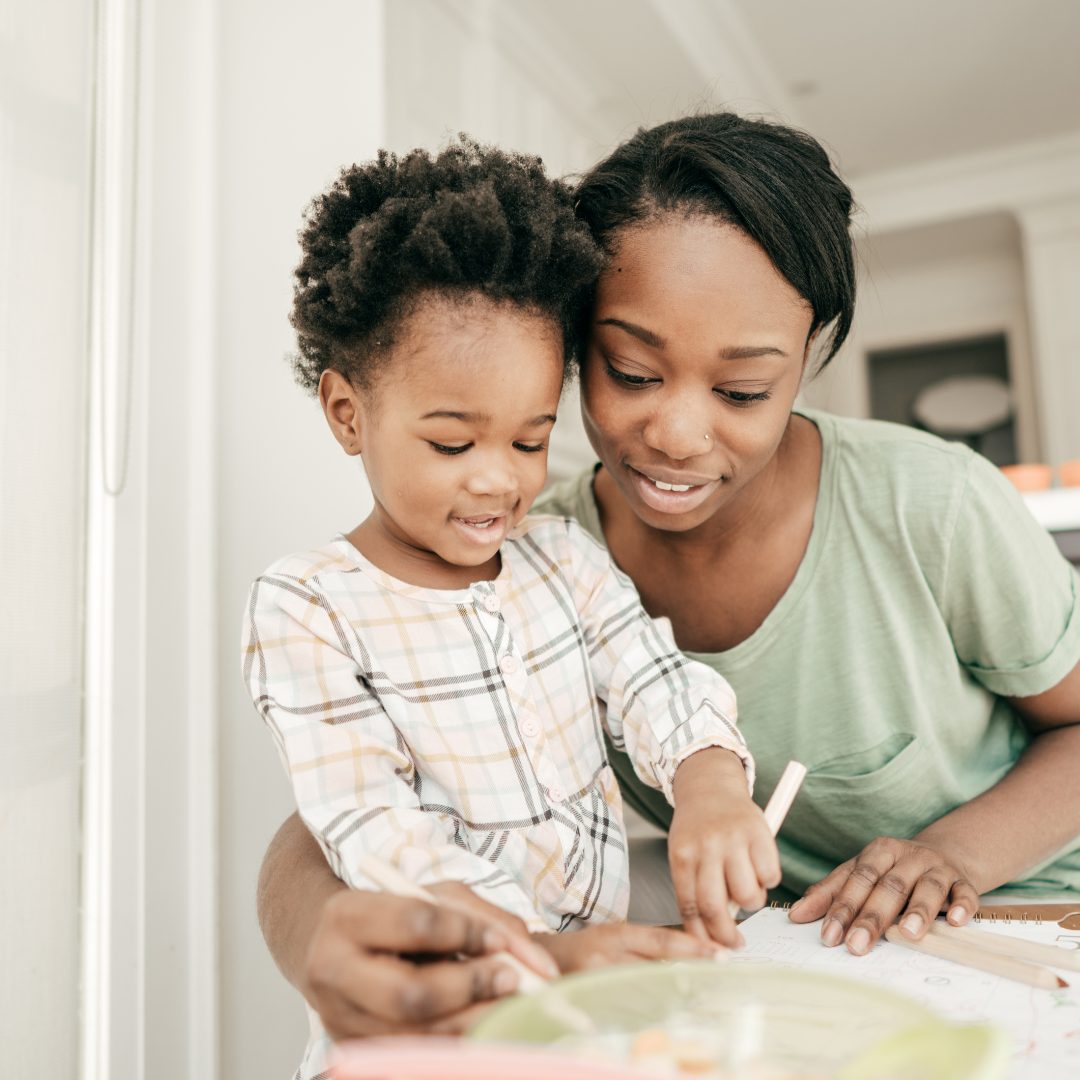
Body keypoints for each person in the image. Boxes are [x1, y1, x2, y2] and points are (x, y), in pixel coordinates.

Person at [256, 112, 1080, 1036]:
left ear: (806, 361)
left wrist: (951, 852)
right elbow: (351, 802)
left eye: (740, 391)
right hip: (787, 941)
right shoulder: (529, 550)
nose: (679, 437)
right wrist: (312, 933)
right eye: (632, 371)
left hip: (1024, 918)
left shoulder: (935, 507)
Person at [243, 138, 777, 1076]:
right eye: (453, 444)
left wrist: (709, 784)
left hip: (588, 1006)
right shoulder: (310, 606)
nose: (500, 480)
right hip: (442, 1015)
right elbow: (371, 829)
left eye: (531, 441)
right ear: (347, 414)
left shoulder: (562, 560)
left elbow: (654, 678)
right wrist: (537, 958)